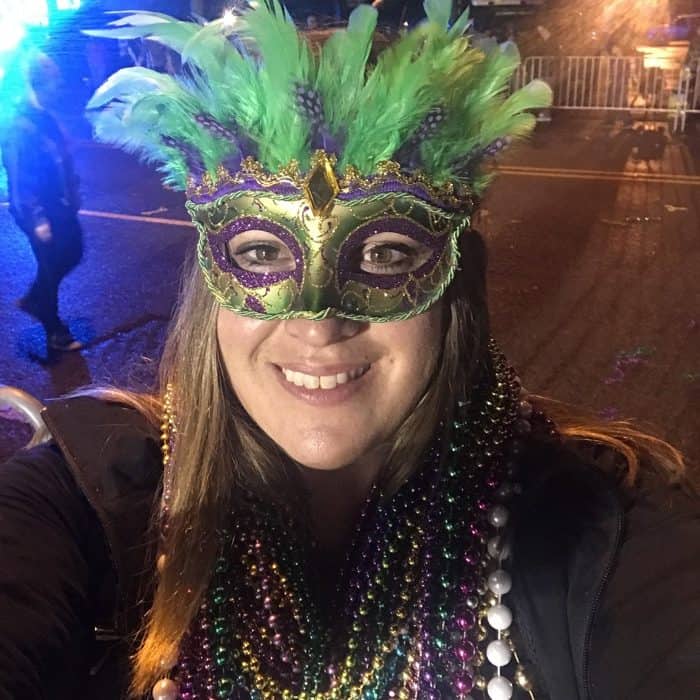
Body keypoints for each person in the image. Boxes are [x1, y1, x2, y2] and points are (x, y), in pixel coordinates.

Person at [0, 2, 698, 699]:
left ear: (457, 285)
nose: (319, 324)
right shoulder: (91, 499)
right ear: (210, 285)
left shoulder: (590, 532)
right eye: (262, 252)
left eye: (385, 253)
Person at [1, 51, 84, 353]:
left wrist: (72, 190)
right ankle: (54, 329)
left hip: (58, 203)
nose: (59, 88)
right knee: (50, 265)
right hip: (38, 209)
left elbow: (62, 158)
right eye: (54, 82)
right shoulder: (19, 126)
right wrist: (37, 220)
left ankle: (36, 298)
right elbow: (19, 179)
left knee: (73, 251)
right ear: (38, 84)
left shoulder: (44, 116)